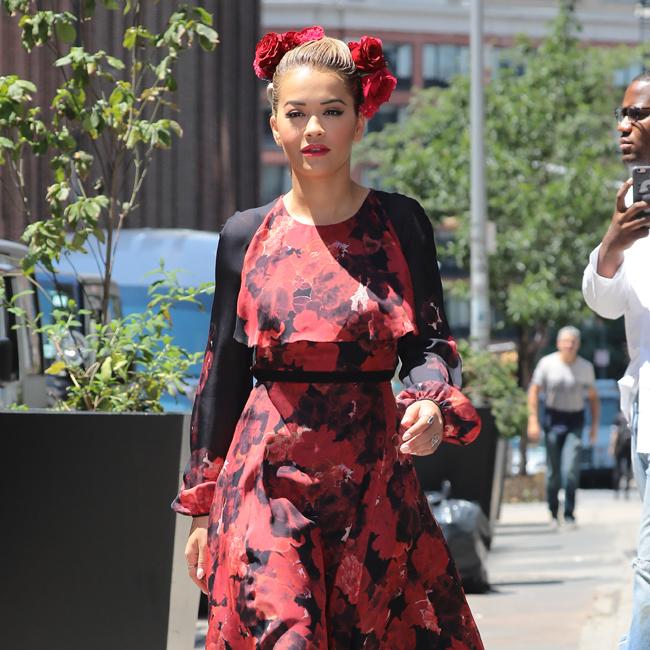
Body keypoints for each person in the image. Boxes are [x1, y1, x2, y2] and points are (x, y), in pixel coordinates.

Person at [171, 27, 484, 649]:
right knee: (284, 636)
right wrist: (202, 507)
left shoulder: (400, 222)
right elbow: (221, 372)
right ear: (275, 125)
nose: (313, 129)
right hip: (264, 475)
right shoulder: (244, 235)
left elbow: (429, 344)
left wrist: (430, 402)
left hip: (371, 475)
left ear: (360, 121)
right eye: (297, 113)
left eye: (332, 112)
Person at [582, 71, 650, 650]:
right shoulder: (631, 200)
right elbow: (605, 303)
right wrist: (613, 242)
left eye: (639, 114)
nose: (625, 126)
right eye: (621, 114)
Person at [527, 326, 599, 528]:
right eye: (566, 341)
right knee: (553, 472)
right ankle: (553, 512)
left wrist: (594, 426)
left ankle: (569, 513)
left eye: (573, 342)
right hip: (553, 419)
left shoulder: (585, 367)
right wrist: (533, 420)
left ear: (578, 344)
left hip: (575, 420)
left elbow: (594, 398)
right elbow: (534, 391)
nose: (569, 345)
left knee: (570, 470)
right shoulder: (547, 363)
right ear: (559, 343)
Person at [610, 410, 633, 498]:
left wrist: (612, 447)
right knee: (628, 468)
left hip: (619, 446)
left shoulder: (617, 418)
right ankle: (627, 491)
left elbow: (614, 433)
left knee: (617, 468)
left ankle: (616, 491)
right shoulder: (630, 416)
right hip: (629, 446)